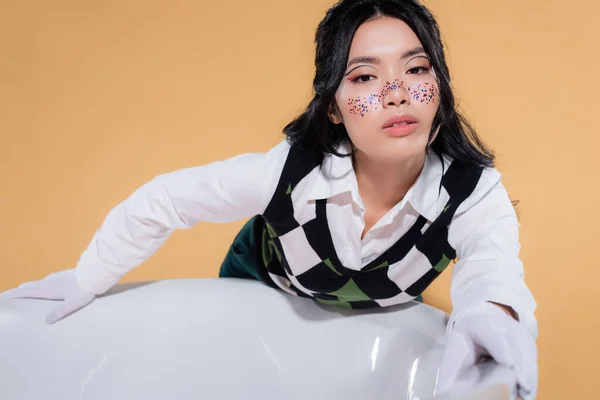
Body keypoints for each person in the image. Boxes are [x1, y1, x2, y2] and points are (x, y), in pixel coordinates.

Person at [0, 0, 538, 398]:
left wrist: (492, 315)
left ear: (439, 86)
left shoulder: (471, 190)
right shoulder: (289, 174)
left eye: (417, 69)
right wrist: (88, 277)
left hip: (374, 322)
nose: (396, 92)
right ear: (333, 107)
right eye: (365, 76)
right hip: (261, 293)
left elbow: (492, 265)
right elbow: (166, 200)